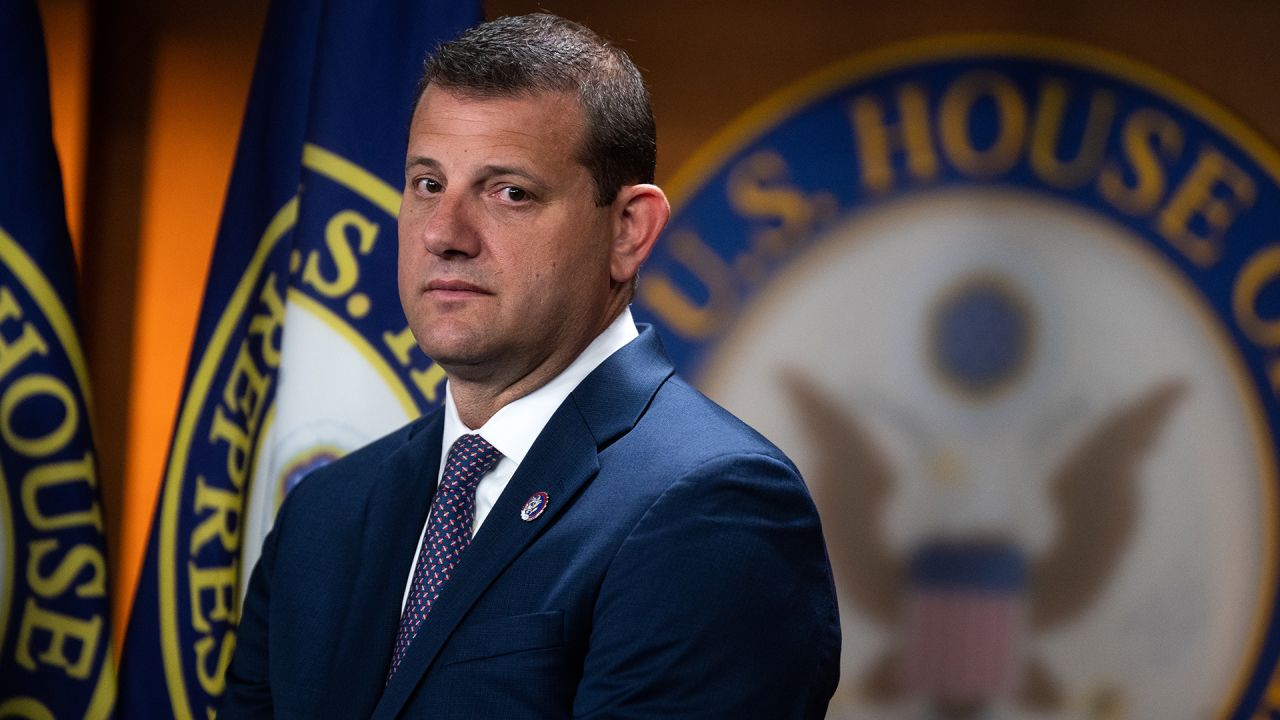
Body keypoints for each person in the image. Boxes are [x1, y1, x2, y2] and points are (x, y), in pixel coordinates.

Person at [222, 12, 840, 719]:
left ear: (628, 230)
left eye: (508, 192)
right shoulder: (324, 514)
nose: (443, 234)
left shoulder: (715, 507)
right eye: (427, 183)